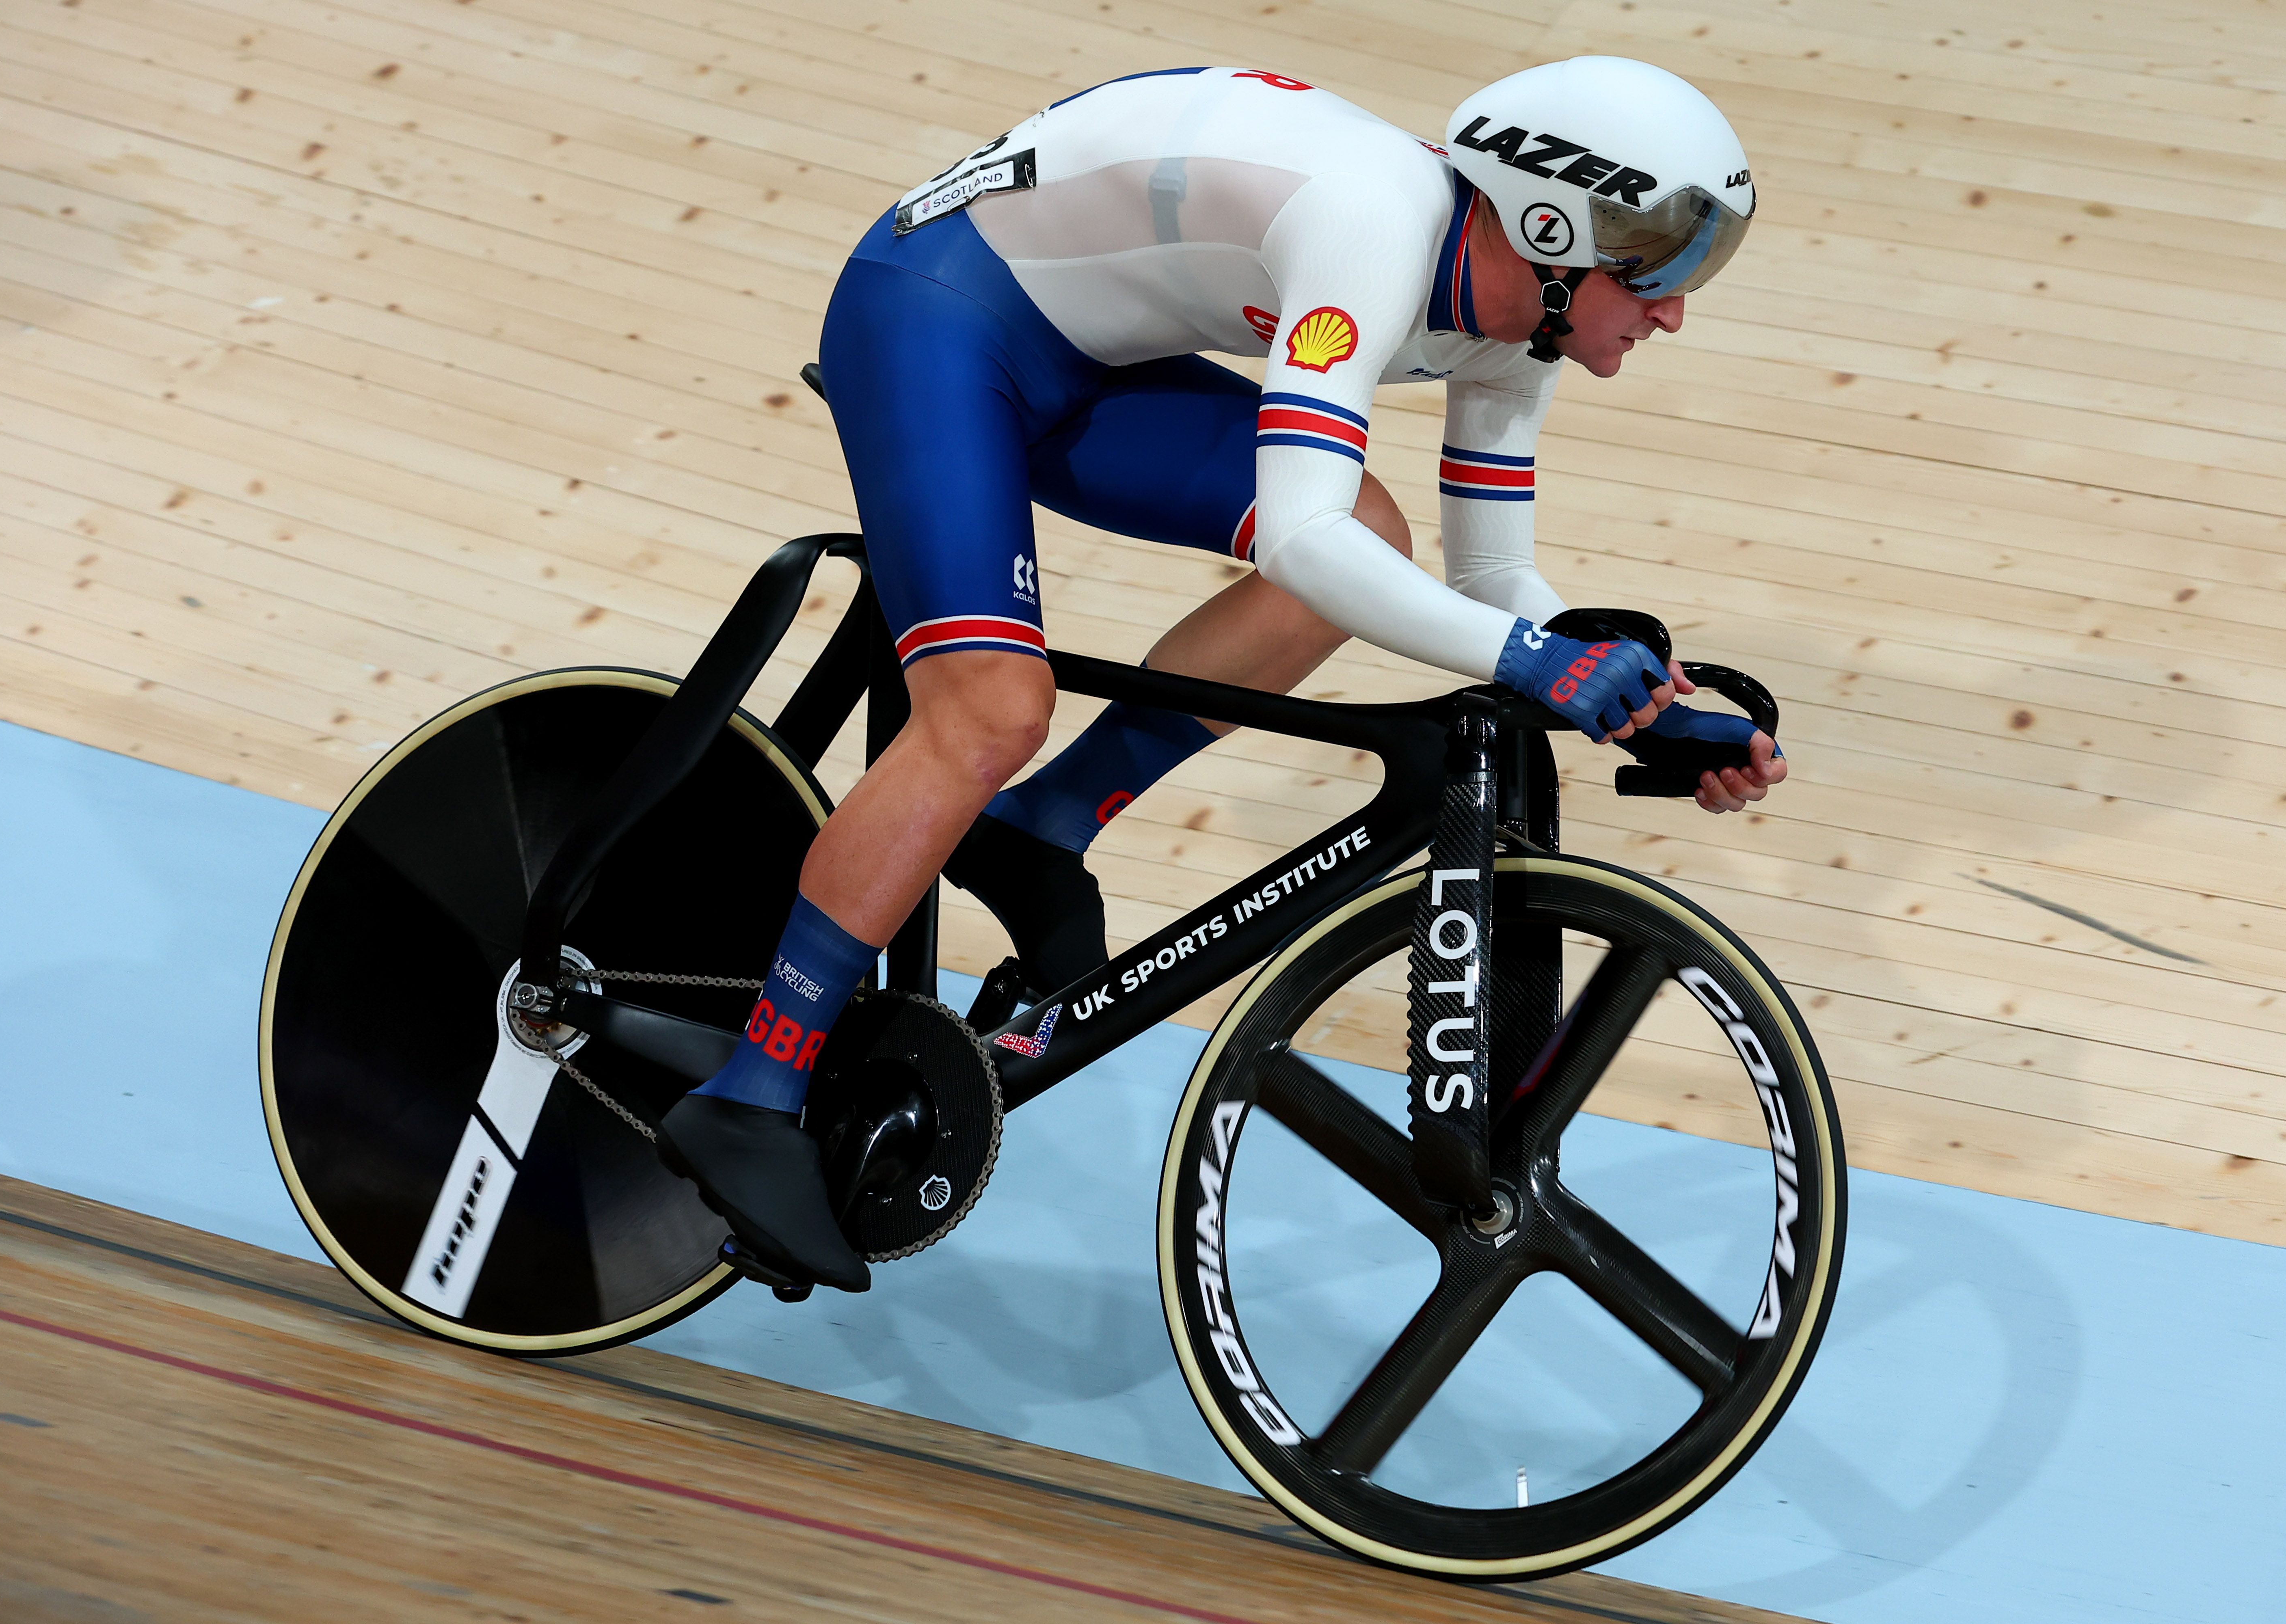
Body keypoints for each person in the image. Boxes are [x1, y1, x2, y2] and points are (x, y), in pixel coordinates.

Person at [658, 58, 1787, 1292]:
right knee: (990, 709)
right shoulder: (1373, 225)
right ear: (1554, 228)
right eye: (1662, 272)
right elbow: (1307, 542)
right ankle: (753, 1090)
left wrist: (1654, 713)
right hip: (935, 314)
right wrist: (1539, 662)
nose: (1674, 311)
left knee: (1382, 537)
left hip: (1093, 354)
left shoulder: (1520, 328)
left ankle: (1039, 830)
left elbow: (1492, 585)